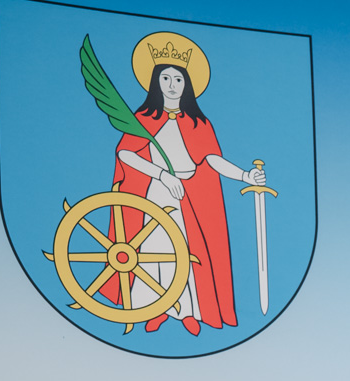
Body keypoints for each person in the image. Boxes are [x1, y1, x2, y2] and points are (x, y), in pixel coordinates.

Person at [104, 36, 266, 334]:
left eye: (178, 79)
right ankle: (155, 308)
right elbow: (125, 153)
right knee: (154, 248)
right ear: (155, 82)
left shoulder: (198, 123)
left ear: (187, 84)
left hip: (191, 196)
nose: (172, 84)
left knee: (191, 254)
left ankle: (187, 311)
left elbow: (212, 159)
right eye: (165, 78)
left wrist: (245, 176)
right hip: (158, 192)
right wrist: (162, 175)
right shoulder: (143, 118)